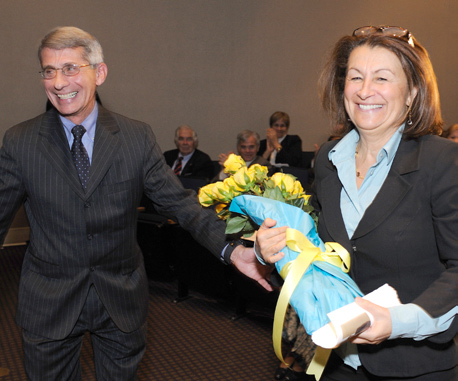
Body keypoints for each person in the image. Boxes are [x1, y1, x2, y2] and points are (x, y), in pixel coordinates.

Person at [0, 26, 270, 380]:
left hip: (121, 301)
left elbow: (181, 204)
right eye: (48, 71)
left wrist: (233, 251)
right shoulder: (21, 142)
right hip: (50, 303)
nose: (59, 82)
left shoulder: (135, 137)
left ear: (99, 72)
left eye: (70, 68)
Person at [256, 25, 457, 380]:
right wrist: (273, 247)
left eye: (382, 78)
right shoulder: (328, 159)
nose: (365, 91)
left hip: (414, 365)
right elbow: (319, 250)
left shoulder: (443, 162)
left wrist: (397, 321)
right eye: (355, 77)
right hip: (336, 359)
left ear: (412, 91)